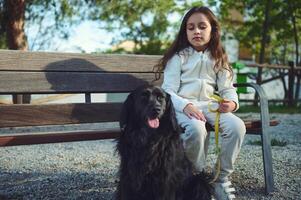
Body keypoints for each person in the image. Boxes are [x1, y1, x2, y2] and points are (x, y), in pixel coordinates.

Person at [157, 6, 246, 200]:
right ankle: (194, 179)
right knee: (197, 130)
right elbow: (168, 91)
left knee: (237, 126)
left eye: (202, 26)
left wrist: (231, 103)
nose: (196, 31)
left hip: (209, 106)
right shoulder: (178, 57)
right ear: (185, 31)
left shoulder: (218, 58)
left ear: (212, 30)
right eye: (191, 27)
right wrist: (185, 106)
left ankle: (220, 179)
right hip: (183, 108)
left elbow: (228, 88)